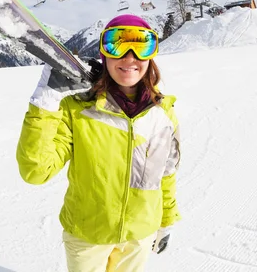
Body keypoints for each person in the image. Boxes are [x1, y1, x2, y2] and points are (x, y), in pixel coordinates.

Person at [16, 14, 181, 271]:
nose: (129, 57)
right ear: (104, 55)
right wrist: (45, 101)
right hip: (87, 235)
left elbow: (166, 174)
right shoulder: (77, 109)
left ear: (151, 55)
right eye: (117, 45)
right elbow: (35, 171)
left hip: (140, 235)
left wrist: (166, 219)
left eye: (141, 45)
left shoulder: (163, 113)